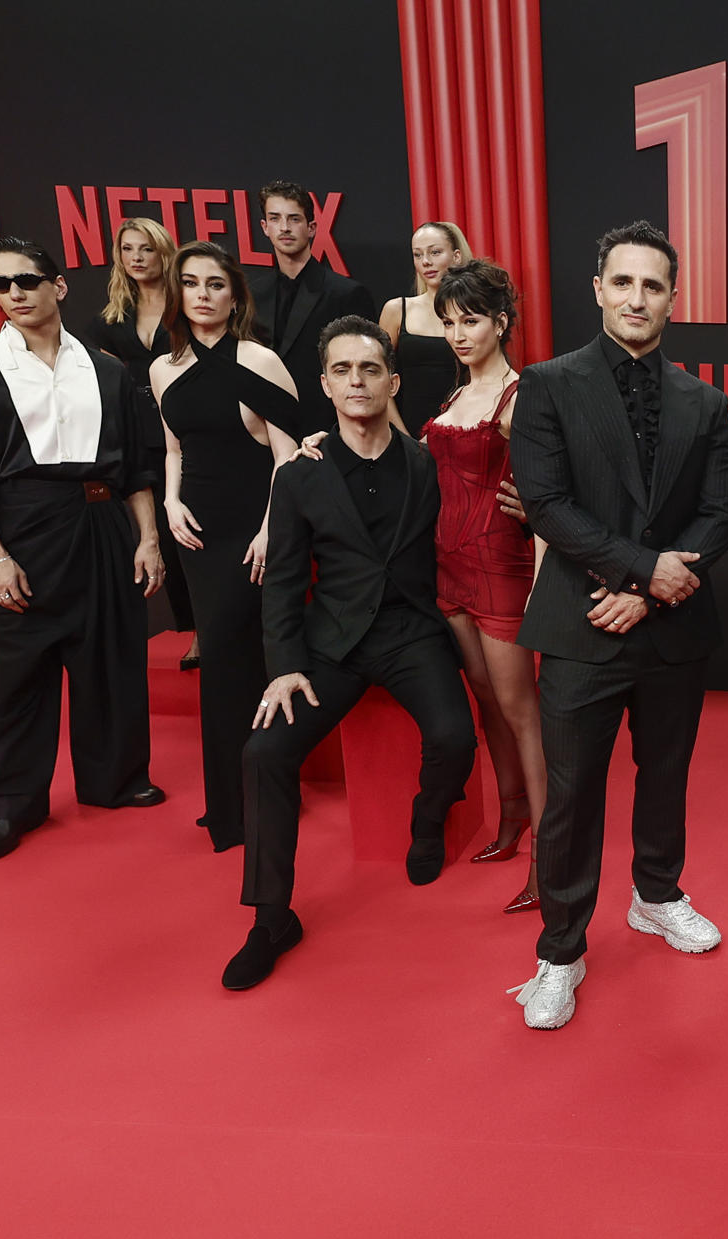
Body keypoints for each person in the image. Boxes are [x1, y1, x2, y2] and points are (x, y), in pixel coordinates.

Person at [504, 220, 728, 1030]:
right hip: (582, 625)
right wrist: (644, 570)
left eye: (654, 285)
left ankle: (656, 895)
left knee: (665, 774)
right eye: (625, 282)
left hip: (670, 626)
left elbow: (720, 513)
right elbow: (546, 504)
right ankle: (560, 951)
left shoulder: (705, 401)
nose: (638, 298)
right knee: (571, 795)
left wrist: (649, 592)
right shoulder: (547, 385)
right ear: (599, 289)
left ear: (673, 299)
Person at [222, 317, 479, 990]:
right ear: (325, 385)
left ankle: (428, 821)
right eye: (343, 370)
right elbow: (283, 582)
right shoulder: (299, 475)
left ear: (392, 382)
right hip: (331, 643)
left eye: (369, 370)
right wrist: (284, 668)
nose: (357, 381)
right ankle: (270, 919)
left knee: (455, 736)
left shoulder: (426, 461)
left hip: (411, 633)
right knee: (263, 753)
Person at [0, 235, 167, 861]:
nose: (13, 293)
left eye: (26, 280)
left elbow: (136, 467)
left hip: (102, 523)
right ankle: (12, 805)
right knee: (13, 676)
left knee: (112, 659)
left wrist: (147, 539)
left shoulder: (107, 370)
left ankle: (116, 780)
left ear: (58, 286)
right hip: (23, 530)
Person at [151, 241, 301, 852]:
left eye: (216, 284)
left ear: (235, 296)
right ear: (177, 293)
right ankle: (231, 802)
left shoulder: (260, 360)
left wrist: (271, 528)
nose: (203, 295)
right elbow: (174, 449)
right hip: (196, 532)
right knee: (219, 659)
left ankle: (257, 797)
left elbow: (289, 458)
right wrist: (170, 501)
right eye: (190, 283)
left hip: (253, 530)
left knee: (240, 660)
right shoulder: (163, 369)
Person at [421, 259, 542, 913]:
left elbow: (551, 492)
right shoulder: (453, 399)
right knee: (487, 702)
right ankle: (511, 816)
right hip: (449, 568)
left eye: (469, 321)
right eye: (448, 323)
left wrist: (540, 547)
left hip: (499, 566)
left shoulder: (518, 396)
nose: (458, 334)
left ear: (499, 322)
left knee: (523, 713)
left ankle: (549, 856)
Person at [93, 216, 198, 666]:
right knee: (164, 540)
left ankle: (217, 629)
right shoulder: (112, 317)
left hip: (188, 429)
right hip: (138, 435)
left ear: (163, 252)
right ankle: (194, 629)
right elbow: (108, 384)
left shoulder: (187, 305)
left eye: (146, 248)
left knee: (197, 533)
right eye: (127, 249)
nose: (136, 257)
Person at [247, 181, 378, 433]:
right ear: (264, 227)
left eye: (294, 219)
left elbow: (367, 369)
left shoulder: (346, 294)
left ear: (312, 228)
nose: (284, 228)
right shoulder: (252, 295)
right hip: (265, 432)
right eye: (275, 218)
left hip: (328, 430)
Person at [381, 220, 472, 431]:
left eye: (435, 252)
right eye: (418, 255)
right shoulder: (396, 310)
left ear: (456, 256)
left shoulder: (475, 314)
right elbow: (379, 380)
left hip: (465, 431)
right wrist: (404, 440)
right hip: (406, 434)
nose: (426, 262)